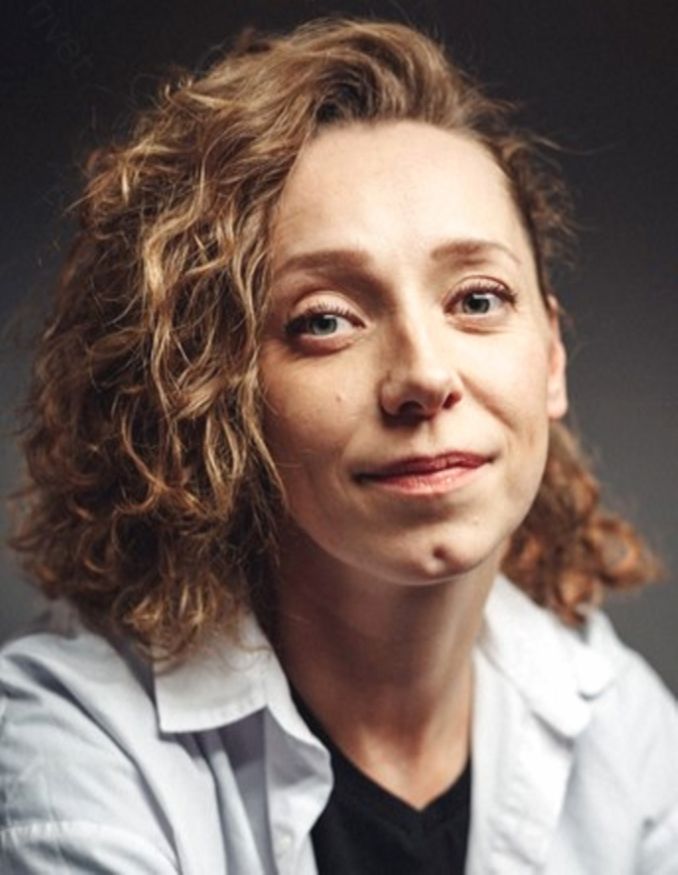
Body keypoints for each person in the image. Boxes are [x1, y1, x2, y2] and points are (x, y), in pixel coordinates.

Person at [1, 17, 676, 875]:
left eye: (477, 299)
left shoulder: (625, 733)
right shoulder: (72, 749)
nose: (424, 374)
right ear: (212, 390)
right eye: (326, 320)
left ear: (551, 355)